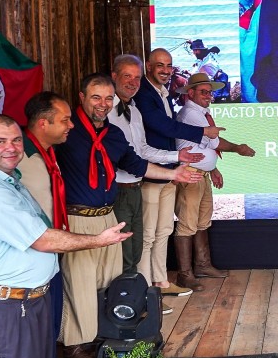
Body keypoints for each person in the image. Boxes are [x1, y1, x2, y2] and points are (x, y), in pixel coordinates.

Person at [55, 73, 203, 358]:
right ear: (81, 98)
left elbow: (136, 164)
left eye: (108, 98)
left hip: (108, 216)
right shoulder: (67, 134)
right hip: (76, 218)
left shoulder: (113, 134)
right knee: (78, 285)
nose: (103, 104)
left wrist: (174, 173)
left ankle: (102, 339)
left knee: (108, 282)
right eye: (96, 97)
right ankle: (75, 346)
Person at [0, 114, 131, 358]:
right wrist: (98, 240)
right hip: (4, 307)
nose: (11, 147)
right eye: (0, 141)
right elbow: (43, 240)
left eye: (16, 140)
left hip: (24, 302)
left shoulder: (3, 177)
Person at [107, 54, 203, 308]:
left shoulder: (135, 111)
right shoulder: (108, 111)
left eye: (136, 78)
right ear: (114, 76)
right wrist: (171, 171)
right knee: (139, 241)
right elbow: (130, 157)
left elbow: (143, 149)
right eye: (127, 76)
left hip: (140, 181)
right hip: (123, 186)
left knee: (160, 232)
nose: (132, 82)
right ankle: (143, 294)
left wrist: (176, 157)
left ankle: (158, 284)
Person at [134, 47, 224, 296]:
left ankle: (161, 282)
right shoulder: (145, 95)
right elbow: (162, 126)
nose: (165, 70)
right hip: (154, 172)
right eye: (160, 65)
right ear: (148, 66)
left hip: (170, 171)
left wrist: (211, 166)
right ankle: (153, 287)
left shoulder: (162, 94)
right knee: (152, 233)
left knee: (163, 230)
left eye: (169, 66)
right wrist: (204, 133)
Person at [174, 73, 256, 291]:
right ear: (190, 93)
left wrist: (213, 168)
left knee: (202, 221)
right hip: (190, 174)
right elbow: (215, 142)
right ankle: (184, 275)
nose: (208, 96)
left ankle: (202, 265)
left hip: (200, 174)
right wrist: (238, 148)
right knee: (187, 224)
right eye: (203, 92)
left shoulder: (201, 113)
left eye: (210, 92)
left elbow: (203, 146)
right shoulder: (191, 113)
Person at [18, 91, 74, 358]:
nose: (71, 125)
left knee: (51, 318)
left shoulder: (49, 152)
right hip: (26, 258)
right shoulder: (17, 155)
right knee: (32, 328)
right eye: (65, 120)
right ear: (43, 123)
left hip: (51, 249)